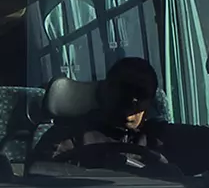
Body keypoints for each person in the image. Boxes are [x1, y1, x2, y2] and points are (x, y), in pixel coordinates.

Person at [32, 56, 178, 173]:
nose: (129, 109)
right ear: (106, 92)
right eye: (123, 94)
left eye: (140, 97)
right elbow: (41, 183)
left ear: (150, 101)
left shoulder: (159, 136)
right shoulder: (68, 135)